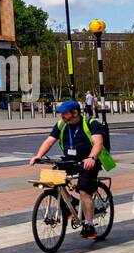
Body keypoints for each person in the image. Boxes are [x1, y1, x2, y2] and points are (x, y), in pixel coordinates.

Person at [28, 99, 111, 241]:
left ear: (75, 112)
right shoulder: (61, 125)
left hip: (89, 161)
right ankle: (71, 201)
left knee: (84, 190)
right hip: (70, 160)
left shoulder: (91, 124)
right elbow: (49, 140)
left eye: (65, 114)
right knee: (52, 179)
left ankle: (89, 224)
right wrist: (39, 155)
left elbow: (98, 143)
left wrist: (91, 158)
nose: (62, 116)